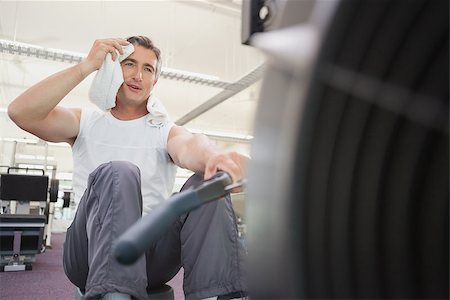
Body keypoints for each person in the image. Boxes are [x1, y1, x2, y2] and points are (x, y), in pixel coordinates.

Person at [8, 36, 248, 300]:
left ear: (154, 81)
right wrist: (86, 66)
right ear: (112, 67)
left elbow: (189, 145)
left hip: (151, 257)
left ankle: (212, 296)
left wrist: (213, 156)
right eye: (129, 64)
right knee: (118, 172)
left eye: (148, 69)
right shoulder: (84, 122)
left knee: (207, 182)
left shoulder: (163, 129)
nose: (138, 75)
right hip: (88, 255)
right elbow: (21, 112)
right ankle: (115, 294)